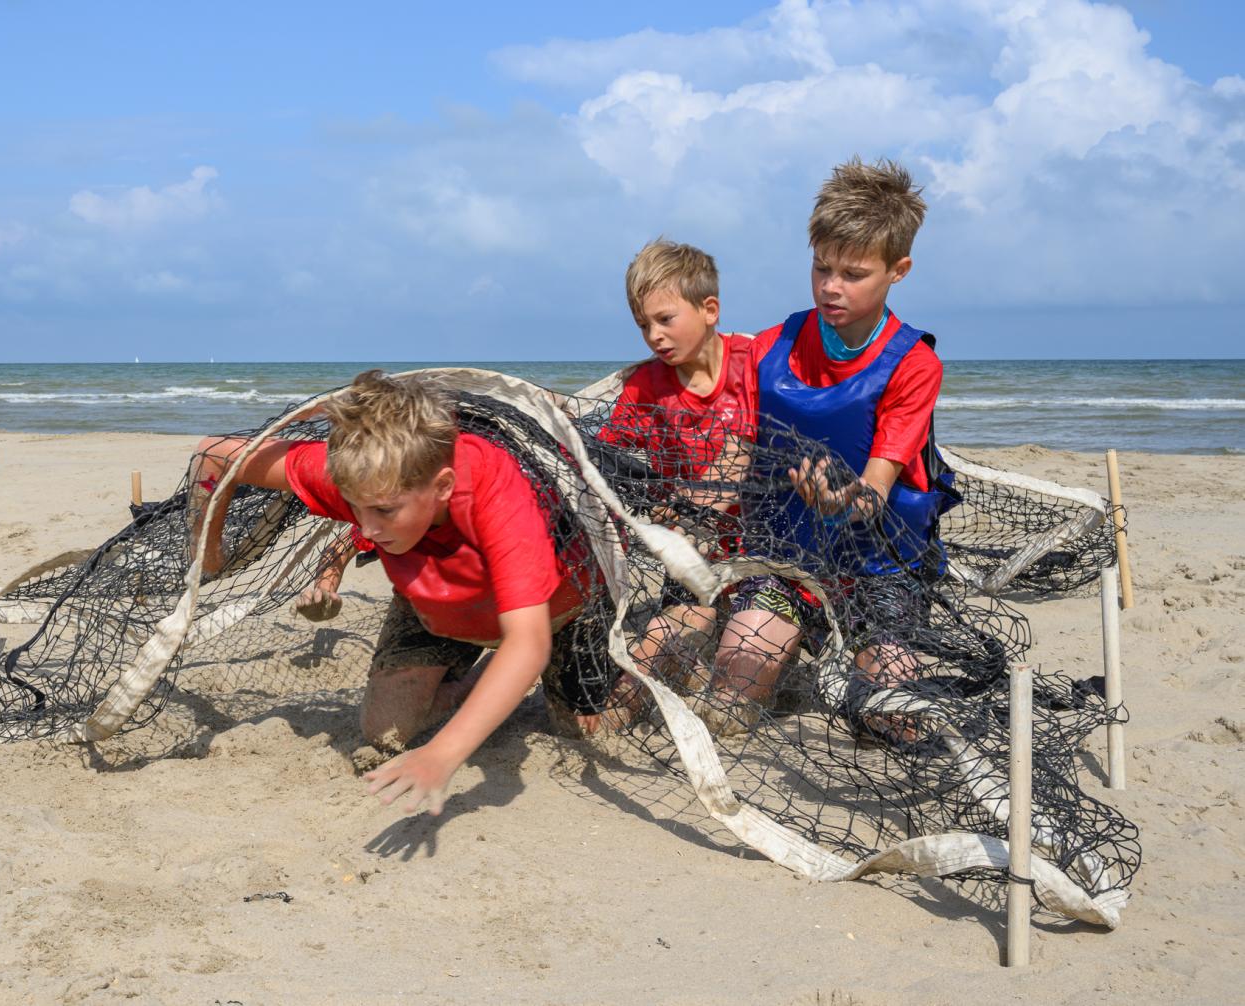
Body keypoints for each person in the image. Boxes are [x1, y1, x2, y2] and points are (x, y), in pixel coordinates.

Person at [188, 370, 614, 815]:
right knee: (384, 731)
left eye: (384, 510)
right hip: (441, 607)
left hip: (555, 610)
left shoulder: (499, 492)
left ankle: (639, 651)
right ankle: (480, 679)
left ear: (443, 486)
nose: (367, 529)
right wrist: (210, 558)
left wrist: (443, 754)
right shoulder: (364, 474)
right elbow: (213, 455)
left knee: (585, 730)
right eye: (355, 508)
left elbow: (528, 642)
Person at [714, 156, 951, 734]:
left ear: (899, 270)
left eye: (853, 273)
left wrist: (840, 501)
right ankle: (781, 644)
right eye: (821, 268)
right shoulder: (770, 347)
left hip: (876, 567)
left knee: (895, 723)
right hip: (782, 559)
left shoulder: (914, 365)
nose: (830, 287)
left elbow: (876, 488)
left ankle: (856, 655)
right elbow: (734, 450)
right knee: (728, 704)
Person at [595, 239, 753, 703]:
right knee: (665, 641)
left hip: (760, 542)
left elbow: (749, 451)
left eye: (665, 319)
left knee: (741, 676)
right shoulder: (645, 385)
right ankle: (627, 701)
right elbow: (607, 457)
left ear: (710, 310)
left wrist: (689, 505)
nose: (654, 336)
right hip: (691, 548)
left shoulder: (753, 362)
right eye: (643, 325)